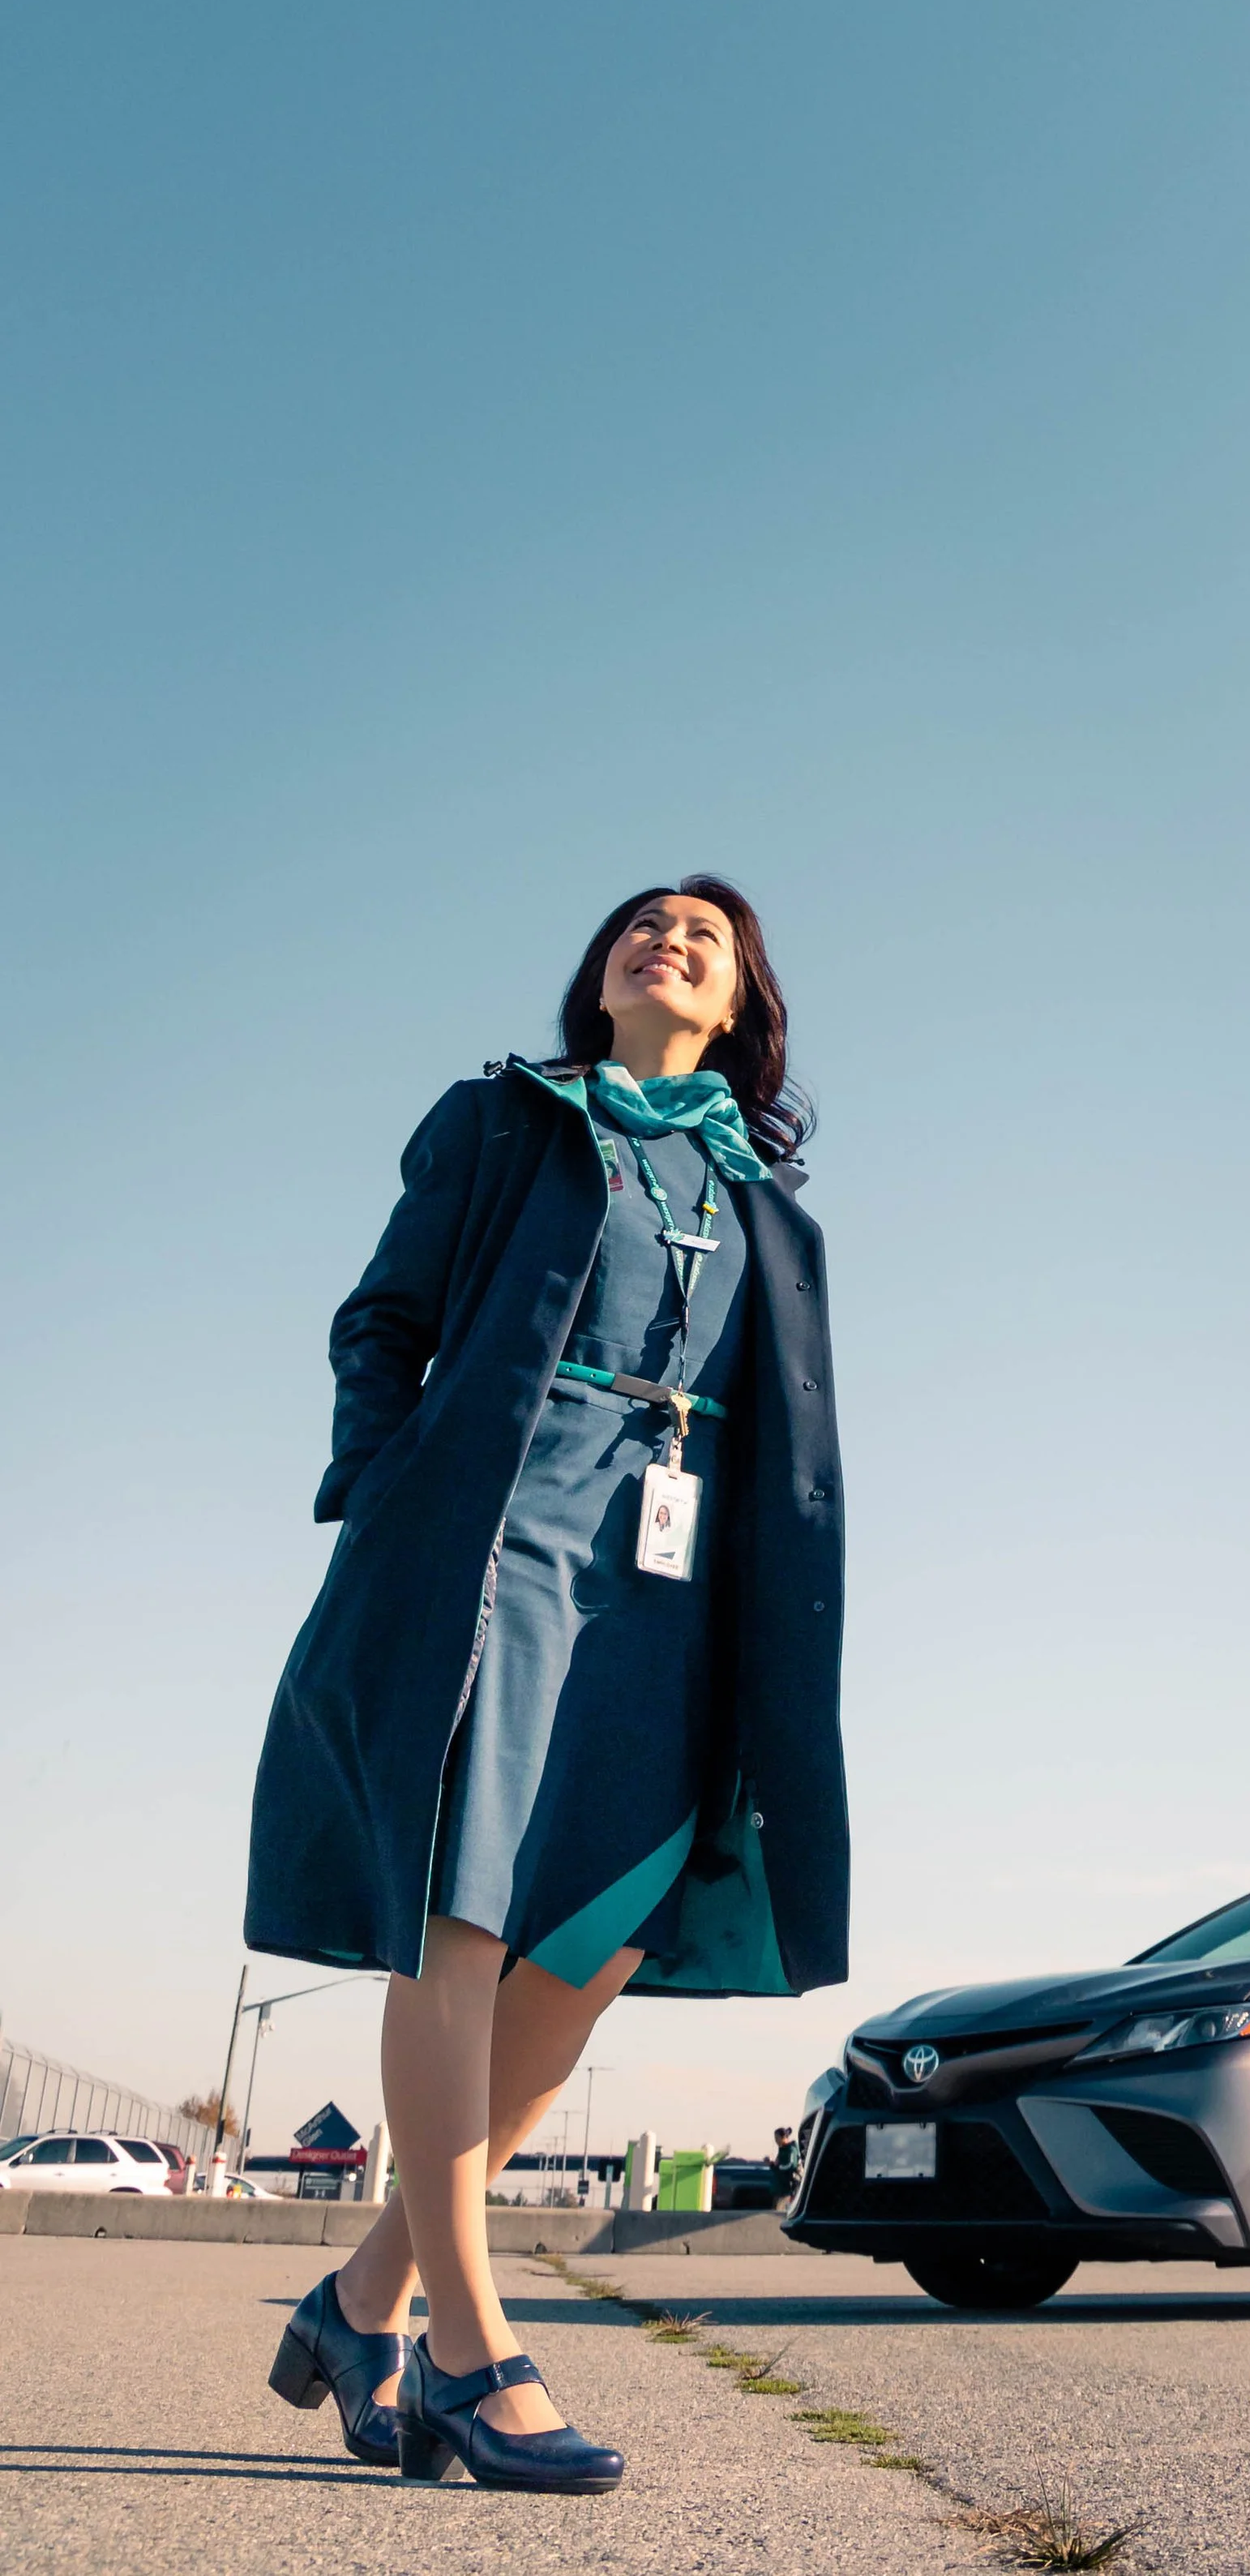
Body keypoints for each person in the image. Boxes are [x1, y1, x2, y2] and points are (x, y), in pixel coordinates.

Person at [246, 881, 847, 2494]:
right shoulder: (505, 1122)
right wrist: (389, 1489)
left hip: (672, 1582)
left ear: (736, 1006)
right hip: (494, 1531)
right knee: (462, 1907)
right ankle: (461, 2342)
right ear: (599, 975)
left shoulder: (770, 1214)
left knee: (597, 1934)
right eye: (641, 924)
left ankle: (357, 2297)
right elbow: (380, 1320)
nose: (666, 939)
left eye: (703, 938)